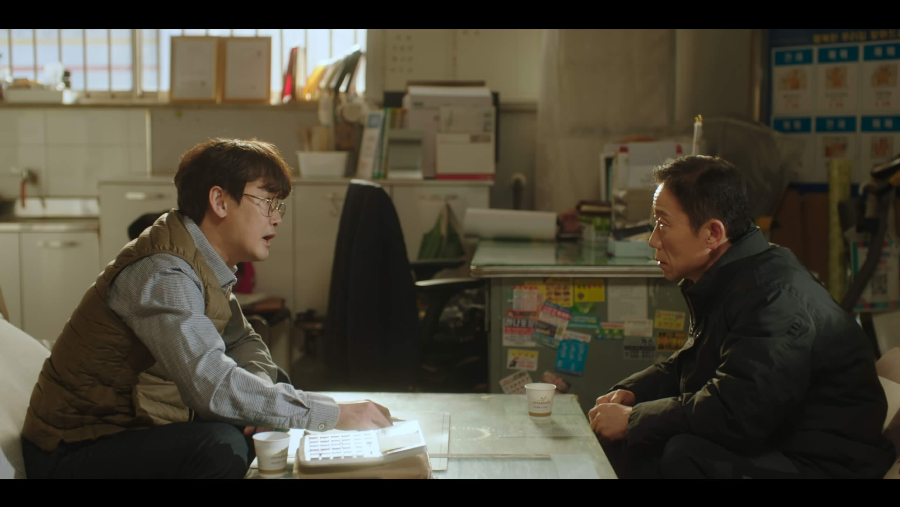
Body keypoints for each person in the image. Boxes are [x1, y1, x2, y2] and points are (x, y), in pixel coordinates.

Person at [21, 138, 393, 479]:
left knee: (268, 389)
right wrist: (333, 413)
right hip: (74, 449)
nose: (277, 217)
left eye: (278, 205)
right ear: (219, 201)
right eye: (267, 202)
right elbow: (211, 385)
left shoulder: (202, 259)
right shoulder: (164, 272)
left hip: (133, 426)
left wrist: (261, 400)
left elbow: (242, 340)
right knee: (220, 447)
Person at [589, 155, 896, 479]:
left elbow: (738, 411)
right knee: (643, 439)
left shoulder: (773, 297)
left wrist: (635, 419)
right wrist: (633, 392)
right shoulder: (735, 275)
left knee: (682, 453)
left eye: (663, 224)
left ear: (713, 233)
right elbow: (694, 364)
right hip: (780, 442)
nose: (653, 239)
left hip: (826, 464)